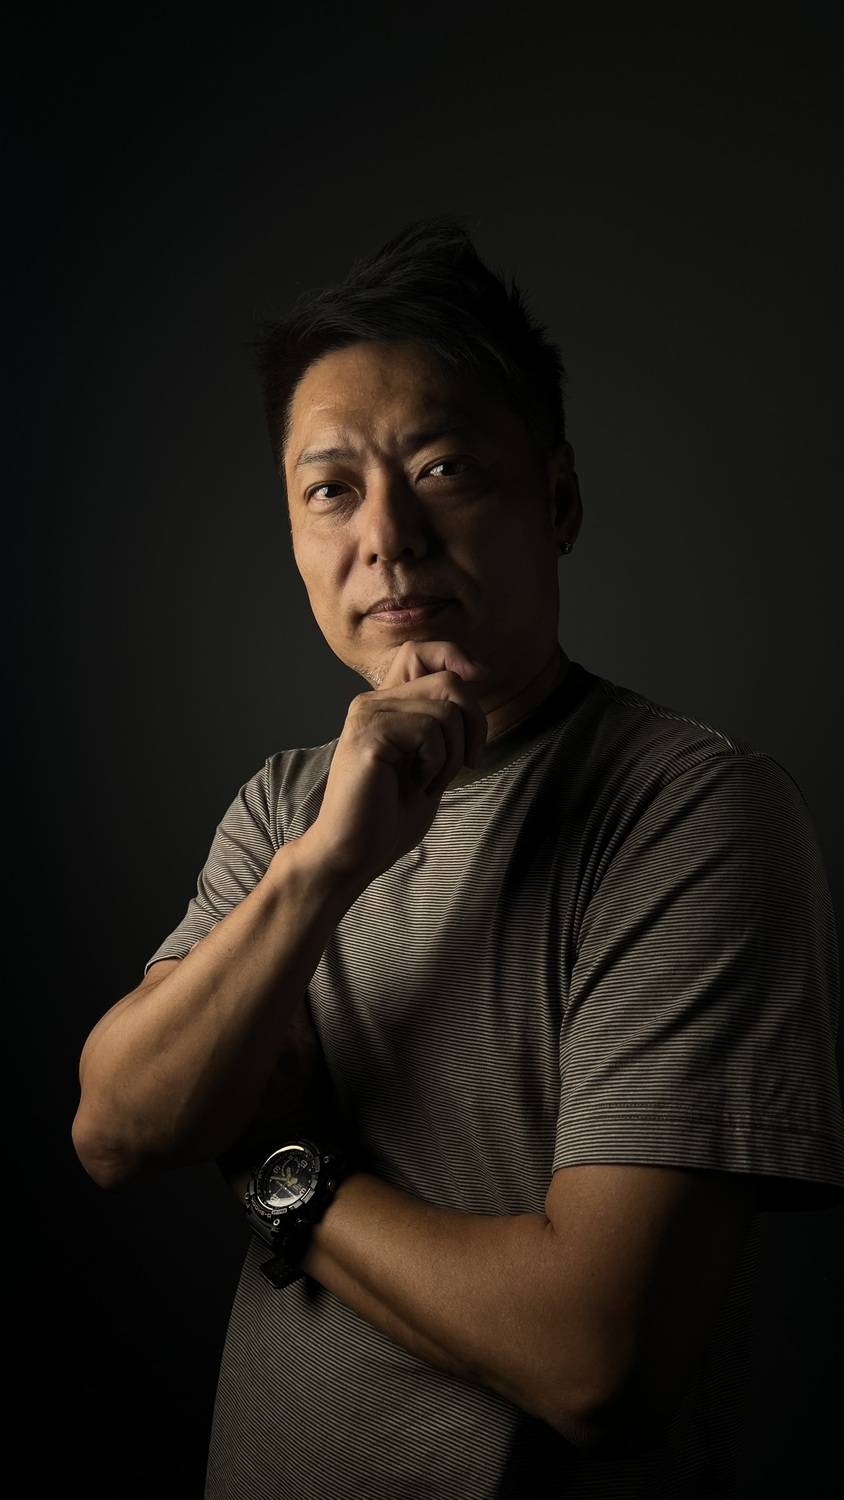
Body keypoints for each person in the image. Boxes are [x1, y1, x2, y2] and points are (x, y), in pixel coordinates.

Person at [73, 216, 844, 1499]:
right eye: (331, 489)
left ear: (557, 498)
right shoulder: (287, 806)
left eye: (441, 469)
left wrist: (287, 1177)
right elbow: (113, 1127)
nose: (387, 536)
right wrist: (326, 866)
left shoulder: (690, 812)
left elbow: (596, 1360)